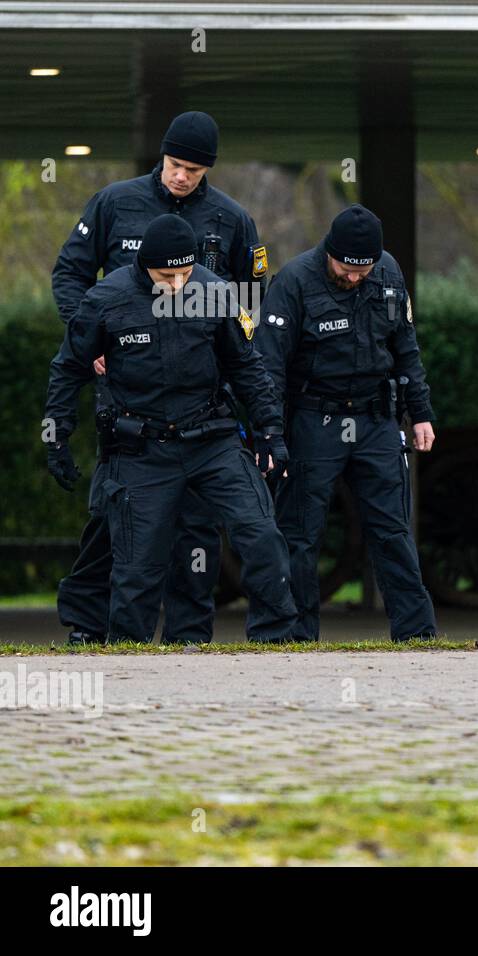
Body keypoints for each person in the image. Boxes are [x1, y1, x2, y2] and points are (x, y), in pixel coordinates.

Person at [50, 110, 268, 646]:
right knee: (116, 515)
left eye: (193, 170)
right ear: (161, 158)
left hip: (198, 401)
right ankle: (87, 622)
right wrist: (91, 339)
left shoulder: (231, 219)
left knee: (194, 521)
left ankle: (189, 633)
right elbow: (70, 274)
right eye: (174, 165)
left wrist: (226, 352)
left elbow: (251, 301)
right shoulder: (114, 202)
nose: (181, 177)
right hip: (128, 387)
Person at [255, 205, 438, 643]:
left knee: (392, 528)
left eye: (364, 270)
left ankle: (416, 634)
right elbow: (268, 366)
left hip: (375, 418)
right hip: (314, 418)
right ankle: (294, 636)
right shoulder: (295, 281)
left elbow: (405, 348)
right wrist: (269, 434)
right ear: (329, 254)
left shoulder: (388, 273)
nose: (355, 278)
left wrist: (421, 413)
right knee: (300, 533)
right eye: (346, 269)